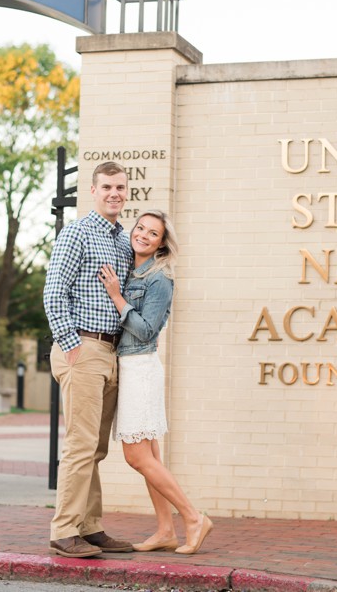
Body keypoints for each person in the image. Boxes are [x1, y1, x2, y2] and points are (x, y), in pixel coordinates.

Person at [98, 209, 214, 555]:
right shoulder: (132, 270)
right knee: (150, 454)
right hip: (129, 364)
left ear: (162, 243)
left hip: (140, 369)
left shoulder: (159, 278)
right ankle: (165, 530)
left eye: (153, 234)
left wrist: (118, 297)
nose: (144, 236)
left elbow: (147, 329)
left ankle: (193, 518)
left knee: (137, 456)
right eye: (141, 229)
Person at [42, 161, 134, 558]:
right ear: (92, 191)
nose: (114, 193)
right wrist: (71, 345)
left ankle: (90, 526)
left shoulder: (122, 242)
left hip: (110, 351)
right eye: (107, 186)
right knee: (80, 445)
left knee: (96, 448)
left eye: (120, 187)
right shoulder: (76, 233)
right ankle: (64, 530)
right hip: (82, 348)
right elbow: (53, 292)